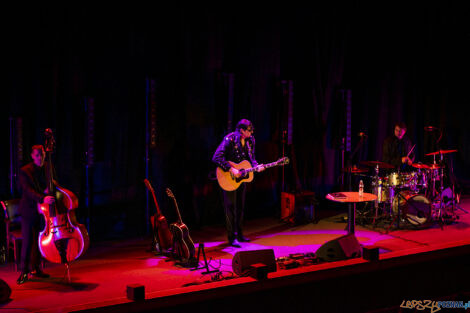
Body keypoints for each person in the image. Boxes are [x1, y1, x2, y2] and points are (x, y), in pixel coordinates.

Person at [212, 119, 264, 247]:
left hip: (241, 178)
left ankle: (240, 234)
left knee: (240, 206)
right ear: (241, 130)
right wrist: (231, 168)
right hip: (228, 177)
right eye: (249, 130)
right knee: (230, 208)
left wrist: (257, 166)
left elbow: (251, 158)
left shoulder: (251, 141)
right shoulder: (229, 139)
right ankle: (231, 237)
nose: (252, 132)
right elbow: (216, 157)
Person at [17, 145, 54, 284]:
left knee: (38, 241)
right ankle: (24, 272)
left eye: (42, 155)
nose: (41, 157)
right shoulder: (25, 171)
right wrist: (42, 198)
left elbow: (51, 185)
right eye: (38, 155)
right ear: (32, 156)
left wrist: (50, 190)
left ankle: (36, 268)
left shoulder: (47, 168)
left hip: (43, 211)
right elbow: (28, 191)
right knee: (27, 241)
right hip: (29, 210)